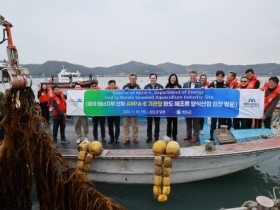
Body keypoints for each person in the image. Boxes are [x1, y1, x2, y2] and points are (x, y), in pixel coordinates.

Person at [183, 71, 203, 143]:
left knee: (196, 123)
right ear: (189, 76)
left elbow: (203, 95)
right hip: (187, 106)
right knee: (188, 122)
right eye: (191, 76)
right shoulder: (185, 84)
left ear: (196, 76)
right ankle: (188, 134)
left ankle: (195, 136)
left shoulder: (201, 84)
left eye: (194, 76)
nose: (192, 77)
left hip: (197, 107)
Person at [209, 71, 229, 141]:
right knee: (213, 123)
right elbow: (208, 95)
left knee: (221, 123)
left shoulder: (226, 84)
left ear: (223, 77)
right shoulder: (212, 84)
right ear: (216, 77)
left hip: (222, 107)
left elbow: (229, 95)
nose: (219, 78)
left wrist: (228, 90)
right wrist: (210, 90)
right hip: (214, 107)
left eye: (221, 76)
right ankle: (211, 137)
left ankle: (220, 137)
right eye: (218, 76)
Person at [144, 73, 164, 143]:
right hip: (149, 108)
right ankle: (149, 137)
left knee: (157, 124)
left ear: (156, 79)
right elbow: (143, 97)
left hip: (157, 108)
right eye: (151, 78)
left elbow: (164, 96)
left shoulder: (160, 86)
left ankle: (156, 137)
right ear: (149, 79)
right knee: (149, 124)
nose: (153, 79)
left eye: (154, 78)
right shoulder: (146, 86)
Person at [123, 73, 141, 144]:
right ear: (129, 79)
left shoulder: (138, 87)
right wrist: (125, 91)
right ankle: (127, 138)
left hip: (134, 108)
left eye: (134, 78)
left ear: (136, 79)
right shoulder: (125, 86)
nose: (133, 79)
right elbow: (120, 96)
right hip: (126, 108)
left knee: (135, 124)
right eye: (131, 78)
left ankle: (135, 137)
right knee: (125, 124)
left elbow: (141, 97)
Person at [165, 73, 182, 140]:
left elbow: (183, 95)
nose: (173, 79)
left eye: (174, 78)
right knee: (169, 123)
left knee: (175, 122)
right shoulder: (167, 86)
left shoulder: (179, 86)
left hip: (176, 107)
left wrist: (179, 90)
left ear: (176, 79)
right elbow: (164, 95)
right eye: (172, 78)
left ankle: (174, 136)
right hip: (168, 107)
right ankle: (168, 136)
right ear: (170, 79)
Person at [105, 80, 121, 144]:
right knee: (110, 126)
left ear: (115, 85)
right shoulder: (104, 92)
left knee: (117, 126)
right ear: (108, 85)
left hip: (117, 112)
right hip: (109, 112)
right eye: (111, 85)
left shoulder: (119, 91)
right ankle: (111, 138)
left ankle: (116, 138)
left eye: (113, 84)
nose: (112, 86)